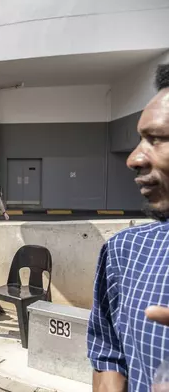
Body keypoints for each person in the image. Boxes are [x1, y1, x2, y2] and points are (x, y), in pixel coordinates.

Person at [88, 63, 169, 392]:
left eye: (157, 139)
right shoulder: (124, 252)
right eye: (140, 139)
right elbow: (107, 352)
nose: (134, 158)